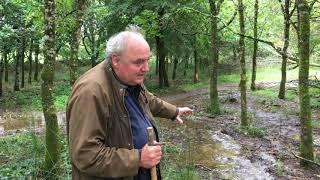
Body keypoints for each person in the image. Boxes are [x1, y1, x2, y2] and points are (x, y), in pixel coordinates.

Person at [66, 25, 193, 180]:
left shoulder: (129, 78)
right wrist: (138, 159)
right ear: (116, 60)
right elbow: (85, 155)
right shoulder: (91, 92)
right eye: (139, 62)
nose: (146, 68)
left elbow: (147, 100)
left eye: (147, 60)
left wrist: (174, 111)